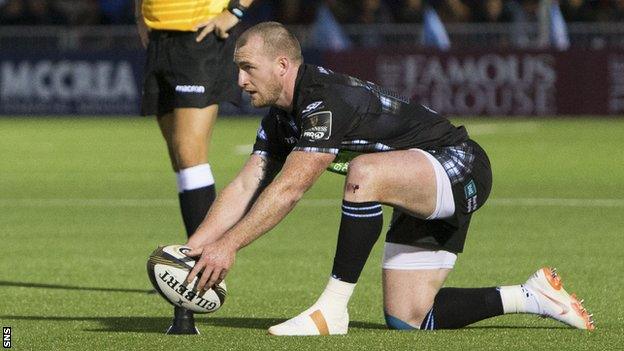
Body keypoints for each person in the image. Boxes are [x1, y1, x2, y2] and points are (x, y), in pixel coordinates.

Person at [184, 22, 595, 335]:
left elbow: (291, 188)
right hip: (415, 182)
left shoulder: (324, 100)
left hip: (459, 165)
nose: (239, 81)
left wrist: (230, 246)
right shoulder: (279, 119)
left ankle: (332, 309)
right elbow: (244, 186)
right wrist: (196, 248)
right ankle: (531, 296)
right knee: (411, 318)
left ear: (282, 65)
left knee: (365, 173)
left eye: (246, 68)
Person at [135, 0, 254, 333]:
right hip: (160, 39)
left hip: (199, 37)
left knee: (190, 157)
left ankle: (198, 274)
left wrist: (236, 11)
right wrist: (140, 15)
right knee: (180, 160)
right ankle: (196, 266)